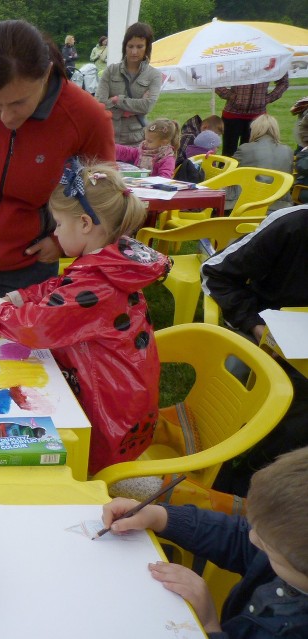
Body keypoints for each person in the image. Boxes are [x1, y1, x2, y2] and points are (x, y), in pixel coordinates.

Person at [0, 160, 169, 474]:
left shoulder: (100, 282)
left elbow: (38, 328)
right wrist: (19, 297)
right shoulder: (108, 261)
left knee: (78, 460)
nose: (56, 233)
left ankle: (90, 479)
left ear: (85, 224)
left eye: (59, 225)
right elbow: (62, 288)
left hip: (108, 406)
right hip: (113, 386)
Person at [0, 19, 115, 304]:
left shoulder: (85, 116)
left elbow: (104, 195)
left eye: (18, 103)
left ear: (46, 74)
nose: (6, 118)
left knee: (23, 348)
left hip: (31, 266)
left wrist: (60, 244)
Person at [101, 446, 308, 639]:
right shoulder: (290, 548)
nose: (252, 537)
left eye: (268, 546)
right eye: (254, 526)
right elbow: (237, 536)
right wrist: (159, 516)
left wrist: (208, 624)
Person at [201, 205, 308, 496]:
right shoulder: (293, 224)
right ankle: (247, 481)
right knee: (294, 393)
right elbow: (216, 273)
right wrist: (256, 326)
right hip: (268, 336)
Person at [96, 22, 162, 145]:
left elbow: (147, 106)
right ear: (124, 46)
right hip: (108, 136)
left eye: (140, 46)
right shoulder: (111, 71)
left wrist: (117, 100)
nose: (134, 51)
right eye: (130, 46)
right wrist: (132, 108)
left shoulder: (154, 75)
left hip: (136, 141)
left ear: (147, 48)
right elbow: (99, 104)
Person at [228, 114, 293, 211]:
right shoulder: (288, 150)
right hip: (281, 201)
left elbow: (229, 173)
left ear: (254, 130)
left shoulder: (245, 149)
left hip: (251, 202)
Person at [216, 74, 290, 157]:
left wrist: (268, 98)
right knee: (228, 152)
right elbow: (216, 77)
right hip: (232, 114)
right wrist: (231, 96)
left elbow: (284, 82)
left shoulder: (271, 60)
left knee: (250, 154)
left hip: (258, 117)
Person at [116, 118, 180, 178]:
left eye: (149, 141)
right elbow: (127, 152)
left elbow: (165, 178)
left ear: (163, 142)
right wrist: (112, 147)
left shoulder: (167, 159)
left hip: (154, 188)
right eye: (145, 139)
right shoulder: (143, 150)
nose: (145, 142)